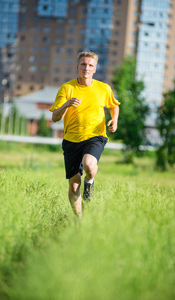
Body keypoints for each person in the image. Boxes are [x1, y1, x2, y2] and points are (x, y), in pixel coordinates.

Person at [50, 51, 120, 217]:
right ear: (77, 67)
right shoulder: (67, 88)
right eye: (83, 64)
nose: (86, 68)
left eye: (90, 65)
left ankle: (90, 180)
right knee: (74, 185)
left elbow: (114, 105)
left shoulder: (104, 88)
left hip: (95, 135)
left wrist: (114, 119)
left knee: (89, 164)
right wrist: (66, 104)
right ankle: (80, 220)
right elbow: (54, 117)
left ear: (95, 69)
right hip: (71, 140)